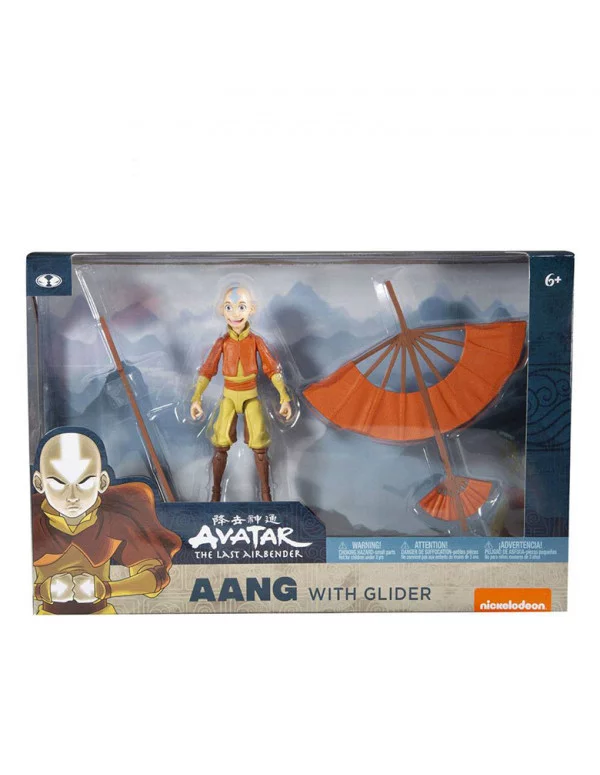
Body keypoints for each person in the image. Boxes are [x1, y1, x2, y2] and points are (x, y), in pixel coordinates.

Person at [31, 429, 181, 614]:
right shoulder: (30, 521)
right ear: (39, 483)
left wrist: (105, 589)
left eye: (84, 482)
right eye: (58, 483)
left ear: (102, 482)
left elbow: (155, 578)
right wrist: (42, 590)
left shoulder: (114, 519)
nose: (72, 496)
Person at [191, 285, 292, 501]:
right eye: (229, 307)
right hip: (228, 397)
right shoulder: (222, 343)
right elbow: (207, 369)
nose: (235, 313)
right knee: (220, 443)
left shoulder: (256, 341)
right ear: (222, 310)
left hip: (251, 396)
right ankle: (215, 494)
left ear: (251, 309)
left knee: (260, 444)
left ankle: (266, 495)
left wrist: (284, 397)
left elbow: (272, 369)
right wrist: (196, 398)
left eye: (241, 307)